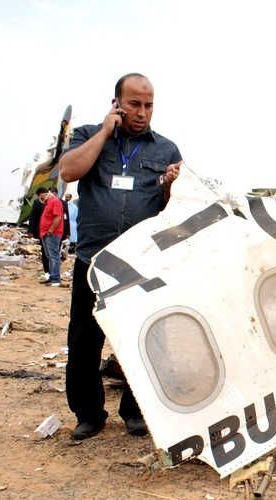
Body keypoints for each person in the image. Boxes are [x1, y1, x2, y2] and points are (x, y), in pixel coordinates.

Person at [59, 73, 183, 441]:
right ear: (116, 103)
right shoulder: (86, 136)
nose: (142, 112)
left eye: (148, 105)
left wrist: (172, 185)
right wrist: (103, 132)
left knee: (145, 339)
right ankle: (89, 414)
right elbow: (69, 171)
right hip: (93, 259)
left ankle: (136, 411)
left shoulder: (166, 149)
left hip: (140, 261)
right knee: (85, 341)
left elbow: (171, 210)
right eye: (134, 104)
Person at [39, 189, 64, 286]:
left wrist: (51, 229)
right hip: (45, 233)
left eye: (40, 196)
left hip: (52, 233)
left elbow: (58, 217)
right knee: (49, 256)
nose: (40, 199)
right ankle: (52, 276)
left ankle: (56, 279)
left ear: (43, 194)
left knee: (54, 256)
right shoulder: (48, 203)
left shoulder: (55, 202)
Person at [27, 188, 50, 280]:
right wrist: (30, 231)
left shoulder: (54, 202)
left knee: (52, 253)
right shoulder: (37, 203)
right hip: (42, 231)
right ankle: (47, 272)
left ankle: (53, 272)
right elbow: (33, 217)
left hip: (52, 231)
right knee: (45, 251)